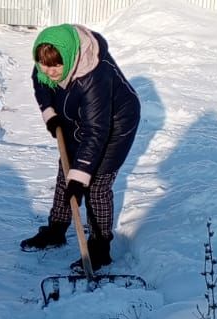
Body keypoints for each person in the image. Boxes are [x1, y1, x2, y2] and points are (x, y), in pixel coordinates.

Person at [21, 22, 141, 270]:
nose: (50, 71)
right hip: (78, 118)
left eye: (57, 65)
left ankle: (99, 248)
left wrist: (80, 177)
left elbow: (96, 132)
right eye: (44, 64)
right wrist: (50, 113)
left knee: (95, 183)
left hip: (115, 124)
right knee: (67, 172)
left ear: (71, 56)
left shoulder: (94, 76)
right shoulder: (44, 67)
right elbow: (40, 82)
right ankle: (56, 230)